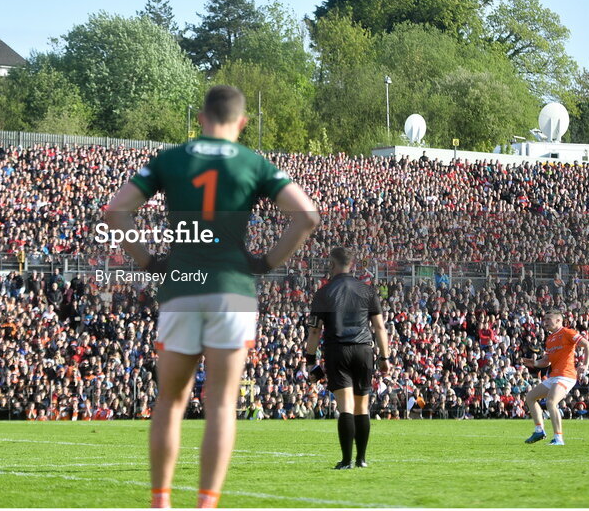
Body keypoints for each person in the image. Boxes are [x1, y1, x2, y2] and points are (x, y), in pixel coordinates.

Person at [105, 85, 320, 508]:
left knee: (170, 400)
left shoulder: (171, 159)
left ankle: (161, 501)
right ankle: (206, 504)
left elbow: (116, 211)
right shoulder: (255, 163)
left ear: (201, 119)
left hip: (182, 287)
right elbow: (307, 216)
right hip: (232, 291)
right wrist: (268, 262)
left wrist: (147, 260)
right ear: (241, 123)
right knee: (221, 404)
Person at [304, 247, 391, 469]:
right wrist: (384, 358)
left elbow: (314, 331)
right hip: (363, 350)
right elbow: (379, 327)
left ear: (332, 264)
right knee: (363, 407)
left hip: (338, 350)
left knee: (346, 407)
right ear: (351, 264)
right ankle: (361, 459)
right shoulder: (367, 291)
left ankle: (346, 461)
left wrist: (310, 360)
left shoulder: (323, 293)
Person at [521, 311, 589, 446]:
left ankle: (558, 439)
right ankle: (539, 430)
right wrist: (535, 363)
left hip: (566, 375)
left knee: (551, 402)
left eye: (549, 319)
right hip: (554, 376)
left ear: (559, 320)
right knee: (530, 397)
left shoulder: (567, 332)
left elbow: (588, 345)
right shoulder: (550, 338)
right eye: (544, 319)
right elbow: (547, 360)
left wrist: (585, 365)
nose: (545, 321)